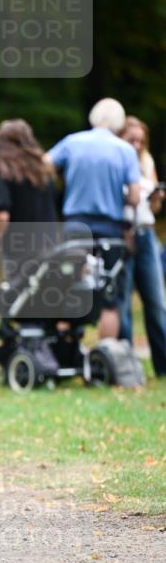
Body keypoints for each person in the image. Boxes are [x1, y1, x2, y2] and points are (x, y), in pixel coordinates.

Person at [46, 98, 141, 339]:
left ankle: (62, 351)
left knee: (68, 285)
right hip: (110, 229)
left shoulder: (73, 142)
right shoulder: (125, 150)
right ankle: (105, 357)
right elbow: (135, 197)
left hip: (75, 225)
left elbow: (43, 165)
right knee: (110, 296)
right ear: (119, 124)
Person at [118, 116, 166, 376]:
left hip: (147, 235)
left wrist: (157, 198)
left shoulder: (147, 162)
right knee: (122, 303)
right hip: (124, 232)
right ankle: (128, 367)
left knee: (157, 303)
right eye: (131, 139)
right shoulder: (114, 161)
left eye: (140, 140)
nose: (136, 145)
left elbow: (154, 209)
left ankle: (163, 366)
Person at [0, 118, 59, 285]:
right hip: (48, 243)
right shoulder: (45, 171)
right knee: (45, 295)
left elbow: (1, 215)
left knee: (19, 298)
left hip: (18, 246)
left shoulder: (4, 171)